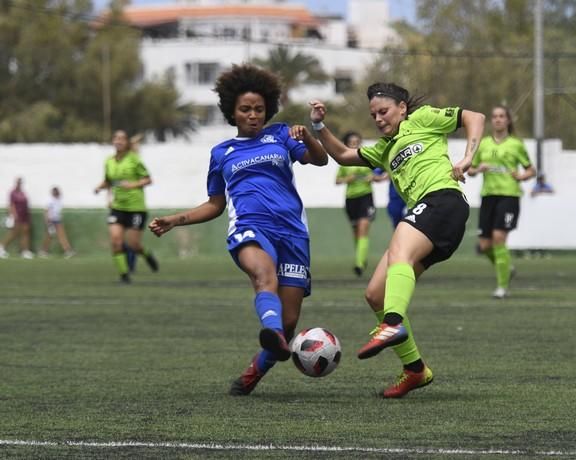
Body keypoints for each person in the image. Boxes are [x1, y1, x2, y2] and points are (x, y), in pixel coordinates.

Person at [148, 64, 329, 396]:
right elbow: (215, 204)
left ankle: (253, 373)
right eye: (245, 109)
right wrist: (176, 219)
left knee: (290, 323)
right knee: (264, 277)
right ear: (232, 111)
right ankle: (271, 331)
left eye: (259, 109)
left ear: (268, 109)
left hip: (293, 234)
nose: (253, 115)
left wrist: (312, 134)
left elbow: (320, 160)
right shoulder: (221, 153)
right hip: (250, 228)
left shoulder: (281, 135)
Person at [303, 82, 485, 398]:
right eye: (373, 114)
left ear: (402, 108)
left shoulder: (423, 119)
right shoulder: (385, 149)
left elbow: (475, 117)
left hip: (444, 200)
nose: (378, 118)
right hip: (430, 217)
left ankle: (392, 321)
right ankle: (415, 369)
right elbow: (345, 155)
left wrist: (468, 156)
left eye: (383, 111)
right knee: (376, 293)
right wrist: (319, 126)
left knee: (400, 245)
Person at [467, 105, 536, 299]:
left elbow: (531, 170)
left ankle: (502, 287)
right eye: (494, 116)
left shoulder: (516, 144)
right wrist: (478, 168)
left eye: (501, 116)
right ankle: (507, 267)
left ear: (507, 120)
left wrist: (522, 176)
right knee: (485, 245)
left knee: (499, 237)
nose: (497, 119)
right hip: (488, 196)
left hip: (509, 195)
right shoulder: (484, 144)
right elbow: (470, 170)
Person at [94, 129, 159, 283]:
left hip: (136, 208)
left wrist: (133, 184)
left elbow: (148, 179)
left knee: (133, 244)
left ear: (126, 142)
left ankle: (147, 255)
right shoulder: (108, 161)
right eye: (116, 138)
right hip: (117, 207)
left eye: (122, 138)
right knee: (116, 241)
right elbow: (108, 181)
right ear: (112, 141)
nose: (118, 141)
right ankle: (124, 275)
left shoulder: (134, 159)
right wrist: (99, 187)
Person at [335, 131, 385, 276]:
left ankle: (359, 263)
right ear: (347, 144)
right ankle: (362, 258)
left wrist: (374, 177)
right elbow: (337, 181)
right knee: (356, 231)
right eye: (352, 142)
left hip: (366, 197)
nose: (355, 144)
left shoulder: (367, 158)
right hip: (351, 199)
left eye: (357, 141)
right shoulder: (345, 161)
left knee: (363, 228)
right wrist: (347, 179)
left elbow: (380, 173)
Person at [0, 177, 34, 259]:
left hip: (25, 216)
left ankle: (25, 251)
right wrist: (14, 215)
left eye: (21, 182)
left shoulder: (23, 193)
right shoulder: (12, 193)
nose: (19, 184)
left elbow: (26, 204)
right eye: (18, 182)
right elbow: (11, 205)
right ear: (16, 183)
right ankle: (1, 248)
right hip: (17, 216)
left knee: (25, 233)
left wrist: (29, 215)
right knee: (13, 234)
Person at [38, 187, 75, 259]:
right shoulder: (49, 201)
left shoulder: (59, 200)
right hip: (51, 221)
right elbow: (46, 212)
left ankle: (68, 250)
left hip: (58, 220)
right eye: (55, 192)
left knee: (62, 235)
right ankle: (43, 251)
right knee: (49, 237)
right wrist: (48, 223)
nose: (57, 193)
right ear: (53, 193)